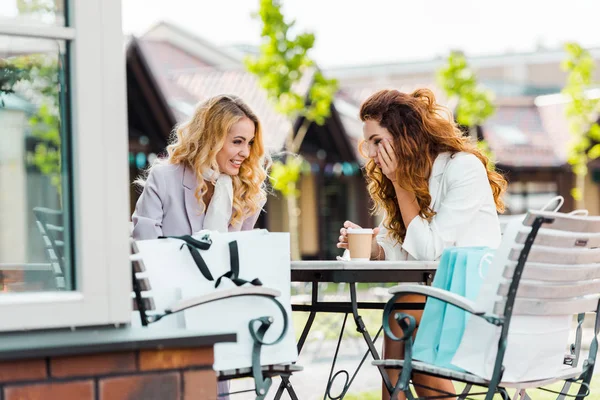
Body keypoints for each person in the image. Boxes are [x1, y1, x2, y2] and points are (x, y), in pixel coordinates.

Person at [337, 88, 507, 399]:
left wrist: (401, 184)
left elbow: (431, 250)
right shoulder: (411, 175)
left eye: (377, 141)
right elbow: (401, 245)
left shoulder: (462, 167)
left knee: (402, 314)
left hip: (477, 301)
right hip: (437, 296)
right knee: (404, 317)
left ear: (404, 135)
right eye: (368, 143)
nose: (372, 153)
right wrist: (371, 248)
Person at [132, 94, 269, 399]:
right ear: (211, 138)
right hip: (166, 308)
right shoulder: (164, 177)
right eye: (237, 141)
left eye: (249, 143)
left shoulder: (248, 194)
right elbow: (144, 248)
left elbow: (242, 263)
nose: (245, 153)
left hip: (219, 308)